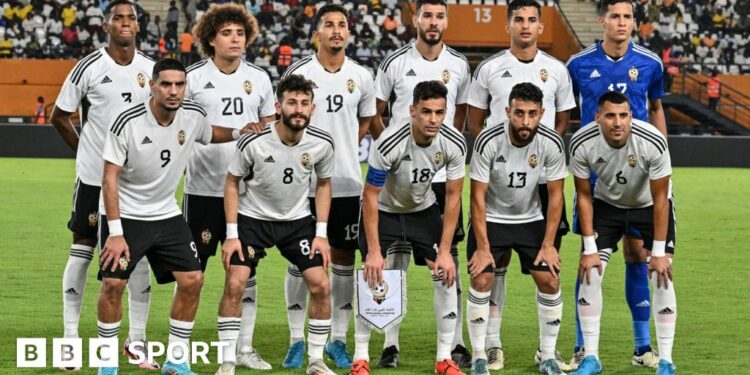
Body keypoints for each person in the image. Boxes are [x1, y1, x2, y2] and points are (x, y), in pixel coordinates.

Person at [95, 58, 248, 375]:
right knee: (112, 284)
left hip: (166, 214)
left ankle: (176, 360)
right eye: (166, 84)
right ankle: (106, 365)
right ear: (152, 86)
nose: (174, 90)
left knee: (193, 279)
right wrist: (115, 232)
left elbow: (209, 133)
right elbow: (109, 177)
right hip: (126, 217)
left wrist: (239, 130)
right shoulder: (128, 122)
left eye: (180, 84)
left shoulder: (192, 115)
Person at [466, 0, 575, 370]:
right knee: (488, 270)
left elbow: (562, 121)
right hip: (495, 190)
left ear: (541, 27)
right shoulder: (490, 69)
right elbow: (474, 121)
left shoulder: (557, 70)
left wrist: (539, 155)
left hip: (536, 194)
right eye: (519, 20)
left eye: (532, 20)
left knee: (547, 272)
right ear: (508, 25)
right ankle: (487, 349)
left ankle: (547, 353)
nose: (526, 26)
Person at [49, 0, 157, 371]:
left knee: (138, 254)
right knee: (82, 249)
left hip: (137, 184)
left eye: (131, 18)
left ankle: (137, 341)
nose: (125, 23)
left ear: (138, 26)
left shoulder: (152, 69)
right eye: (118, 18)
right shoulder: (89, 67)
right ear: (106, 26)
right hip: (95, 180)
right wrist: (86, 152)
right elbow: (59, 116)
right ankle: (69, 339)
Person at [566, 0, 667, 368]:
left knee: (638, 254)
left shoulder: (651, 63)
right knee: (589, 259)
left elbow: (656, 108)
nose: (621, 23)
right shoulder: (577, 65)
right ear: (602, 20)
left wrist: (663, 159)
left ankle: (642, 347)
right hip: (595, 177)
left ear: (633, 22)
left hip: (641, 175)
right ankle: (582, 345)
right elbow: (567, 114)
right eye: (615, 16)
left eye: (627, 17)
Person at [215, 74, 337, 375]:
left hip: (297, 223)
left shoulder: (322, 144)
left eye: (304, 103)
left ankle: (316, 361)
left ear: (313, 108)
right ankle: (228, 363)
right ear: (278, 105)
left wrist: (321, 234)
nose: (298, 109)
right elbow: (232, 182)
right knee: (235, 281)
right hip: (253, 219)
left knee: (321, 284)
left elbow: (323, 184)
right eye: (292, 102)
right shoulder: (254, 141)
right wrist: (232, 235)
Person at [372, 0, 472, 368]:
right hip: (398, 178)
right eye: (427, 15)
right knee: (393, 258)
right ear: (415, 20)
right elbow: (376, 112)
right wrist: (396, 154)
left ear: (447, 20)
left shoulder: (460, 64)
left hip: (442, 174)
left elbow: (461, 112)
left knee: (448, 259)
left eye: (439, 15)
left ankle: (456, 342)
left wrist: (440, 152)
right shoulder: (395, 62)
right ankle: (390, 344)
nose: (433, 22)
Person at [278, 4, 376, 370]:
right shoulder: (299, 71)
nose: (336, 30)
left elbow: (365, 122)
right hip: (303, 185)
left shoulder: (361, 76)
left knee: (343, 260)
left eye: (342, 25)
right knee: (299, 259)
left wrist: (342, 149)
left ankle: (337, 339)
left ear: (348, 32)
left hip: (348, 182)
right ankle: (296, 340)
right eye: (329, 25)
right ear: (317, 32)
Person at [184, 3, 276, 370]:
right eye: (227, 33)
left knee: (245, 273)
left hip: (248, 194)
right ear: (210, 38)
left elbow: (269, 128)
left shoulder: (261, 78)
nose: (235, 39)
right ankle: (181, 347)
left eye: (240, 33)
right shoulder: (191, 78)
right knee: (193, 273)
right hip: (203, 190)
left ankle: (242, 349)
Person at [353, 81, 466, 375]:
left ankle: (444, 358)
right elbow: (371, 196)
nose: (433, 119)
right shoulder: (390, 141)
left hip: (422, 210)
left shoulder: (453, 142)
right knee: (373, 273)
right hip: (385, 211)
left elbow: (454, 197)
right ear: (412, 111)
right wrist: (374, 251)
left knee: (445, 273)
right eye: (426, 111)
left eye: (439, 112)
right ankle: (361, 357)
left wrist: (445, 250)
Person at [569, 92, 677, 375]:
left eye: (623, 115)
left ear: (631, 116)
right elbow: (583, 195)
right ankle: (591, 357)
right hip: (607, 204)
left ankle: (665, 360)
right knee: (590, 270)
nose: (618, 122)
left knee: (661, 272)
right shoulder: (582, 142)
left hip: (649, 205)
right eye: (610, 116)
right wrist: (589, 248)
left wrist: (658, 253)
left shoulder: (652, 140)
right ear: (597, 117)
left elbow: (662, 197)